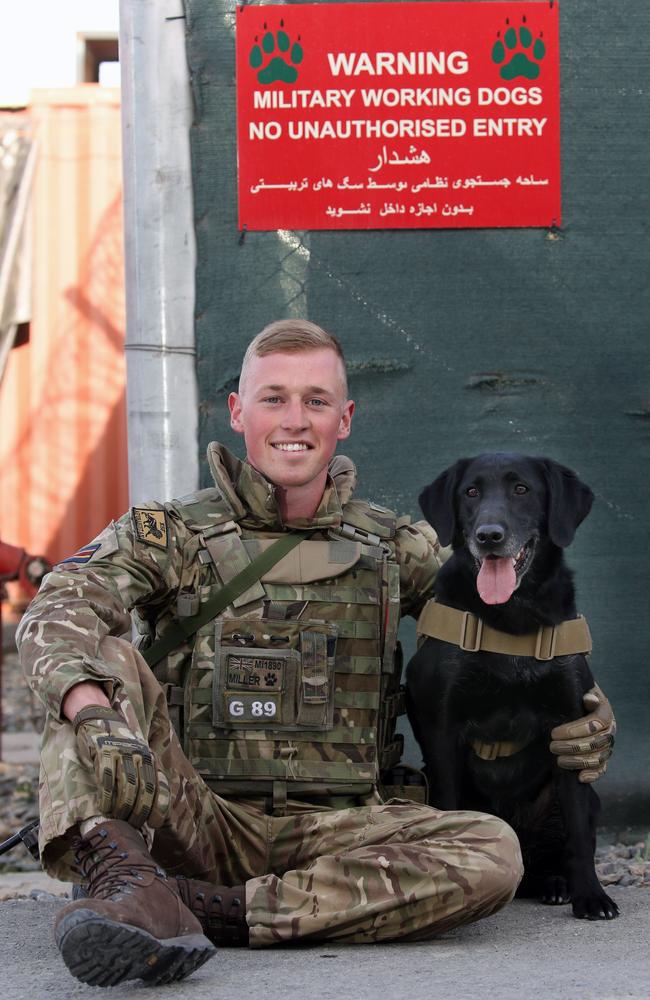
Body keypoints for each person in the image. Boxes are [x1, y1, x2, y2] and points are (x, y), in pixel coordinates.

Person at [17, 320, 615, 988]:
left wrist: (590, 712)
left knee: (492, 853)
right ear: (237, 411)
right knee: (93, 666)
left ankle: (193, 908)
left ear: (345, 419)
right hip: (192, 815)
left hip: (342, 831)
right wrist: (91, 707)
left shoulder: (396, 548)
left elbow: (513, 625)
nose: (294, 420)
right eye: (273, 398)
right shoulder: (170, 536)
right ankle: (128, 872)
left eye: (316, 401)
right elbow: (57, 606)